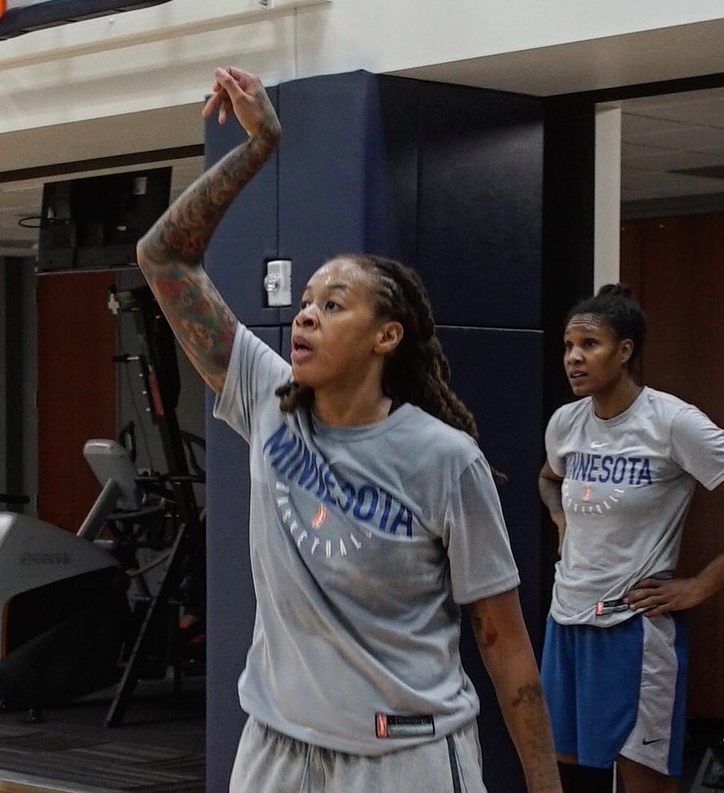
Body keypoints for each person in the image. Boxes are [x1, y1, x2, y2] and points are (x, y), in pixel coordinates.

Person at [134, 66, 561, 793]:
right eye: (305, 302)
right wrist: (258, 146)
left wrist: (545, 785)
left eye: (333, 305)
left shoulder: (445, 459)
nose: (305, 315)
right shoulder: (268, 398)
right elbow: (163, 257)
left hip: (404, 756)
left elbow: (503, 641)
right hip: (276, 751)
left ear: (387, 336)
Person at [538, 284, 724, 793]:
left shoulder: (672, 422)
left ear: (624, 351)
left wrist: (700, 586)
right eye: (568, 346)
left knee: (645, 782)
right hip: (566, 619)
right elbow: (548, 478)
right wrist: (561, 518)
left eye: (589, 345)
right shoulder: (565, 424)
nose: (573, 358)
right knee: (563, 777)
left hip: (633, 627)